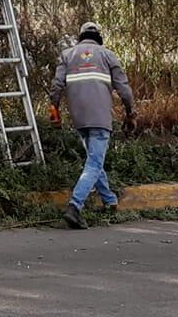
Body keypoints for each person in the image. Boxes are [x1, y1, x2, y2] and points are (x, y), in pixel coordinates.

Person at [48, 20, 135, 229]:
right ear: (99, 36)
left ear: (81, 36)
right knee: (94, 163)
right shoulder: (107, 55)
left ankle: (109, 200)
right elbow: (124, 90)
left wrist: (54, 108)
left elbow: (57, 85)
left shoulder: (67, 55)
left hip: (79, 118)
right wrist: (131, 113)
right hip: (100, 118)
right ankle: (74, 207)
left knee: (93, 159)